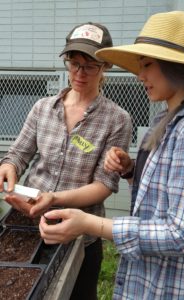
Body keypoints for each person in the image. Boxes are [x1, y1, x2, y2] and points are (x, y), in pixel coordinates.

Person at [39, 11, 184, 299]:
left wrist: (91, 224)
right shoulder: (166, 120)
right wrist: (130, 169)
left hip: (169, 284)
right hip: (149, 275)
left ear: (179, 67)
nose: (140, 75)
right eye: (73, 64)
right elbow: (162, 194)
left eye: (147, 64)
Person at [0, 22, 132, 300]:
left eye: (90, 65)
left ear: (105, 66)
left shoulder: (116, 119)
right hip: (27, 221)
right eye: (74, 63)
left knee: (79, 293)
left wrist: (54, 198)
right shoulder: (43, 108)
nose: (79, 73)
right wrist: (8, 169)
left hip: (80, 233)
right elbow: (18, 155)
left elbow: (104, 185)